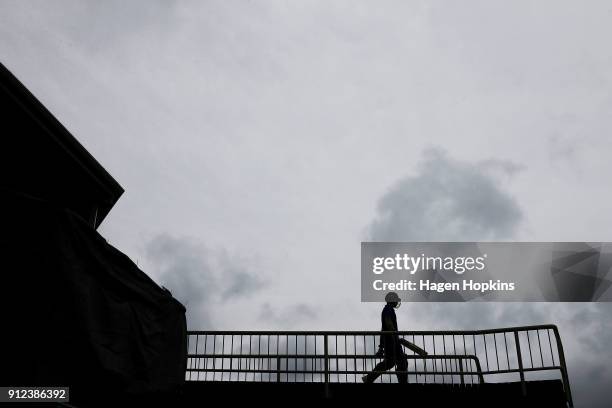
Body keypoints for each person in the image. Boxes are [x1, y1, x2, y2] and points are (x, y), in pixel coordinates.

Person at [362, 292, 427, 384]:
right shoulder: (388, 310)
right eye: (396, 300)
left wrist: (381, 346)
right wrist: (394, 336)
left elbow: (383, 330)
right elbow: (388, 324)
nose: (397, 302)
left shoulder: (387, 310)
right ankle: (402, 382)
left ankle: (369, 378)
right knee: (401, 361)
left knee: (390, 362)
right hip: (392, 342)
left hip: (390, 341)